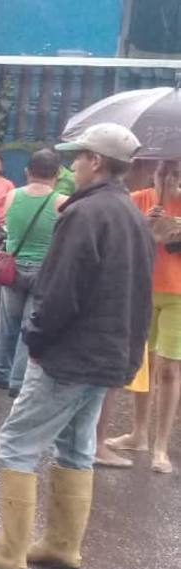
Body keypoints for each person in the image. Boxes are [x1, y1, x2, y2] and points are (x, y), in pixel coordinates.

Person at [0, 124, 152, 569]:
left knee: (18, 442)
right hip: (108, 355)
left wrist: (37, 337)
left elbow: (60, 289)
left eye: (80, 158)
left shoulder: (84, 214)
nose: (72, 167)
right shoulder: (131, 213)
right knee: (76, 445)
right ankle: (63, 545)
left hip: (70, 354)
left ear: (98, 162)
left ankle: (10, 552)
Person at [102, 160, 181, 474]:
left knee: (170, 370)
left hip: (177, 294)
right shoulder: (139, 199)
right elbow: (122, 241)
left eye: (176, 172)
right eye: (164, 171)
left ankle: (161, 445)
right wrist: (145, 226)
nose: (168, 177)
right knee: (141, 364)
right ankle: (139, 434)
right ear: (155, 172)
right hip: (143, 288)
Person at [0, 149, 65, 395]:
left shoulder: (12, 195)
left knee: (8, 322)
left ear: (28, 171)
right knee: (30, 325)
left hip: (12, 268)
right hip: (43, 270)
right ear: (58, 173)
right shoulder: (62, 202)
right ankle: (18, 381)